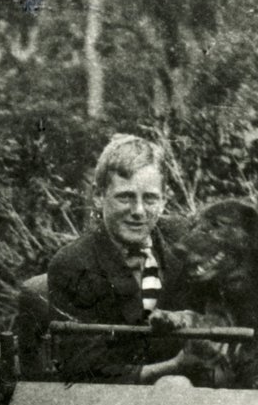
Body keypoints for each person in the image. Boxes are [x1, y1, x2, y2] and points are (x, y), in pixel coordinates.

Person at [45, 134, 205, 385]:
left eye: (150, 198)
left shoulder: (184, 242)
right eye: (125, 197)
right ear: (99, 196)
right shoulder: (73, 265)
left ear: (164, 199)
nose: (139, 211)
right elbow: (83, 371)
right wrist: (172, 368)